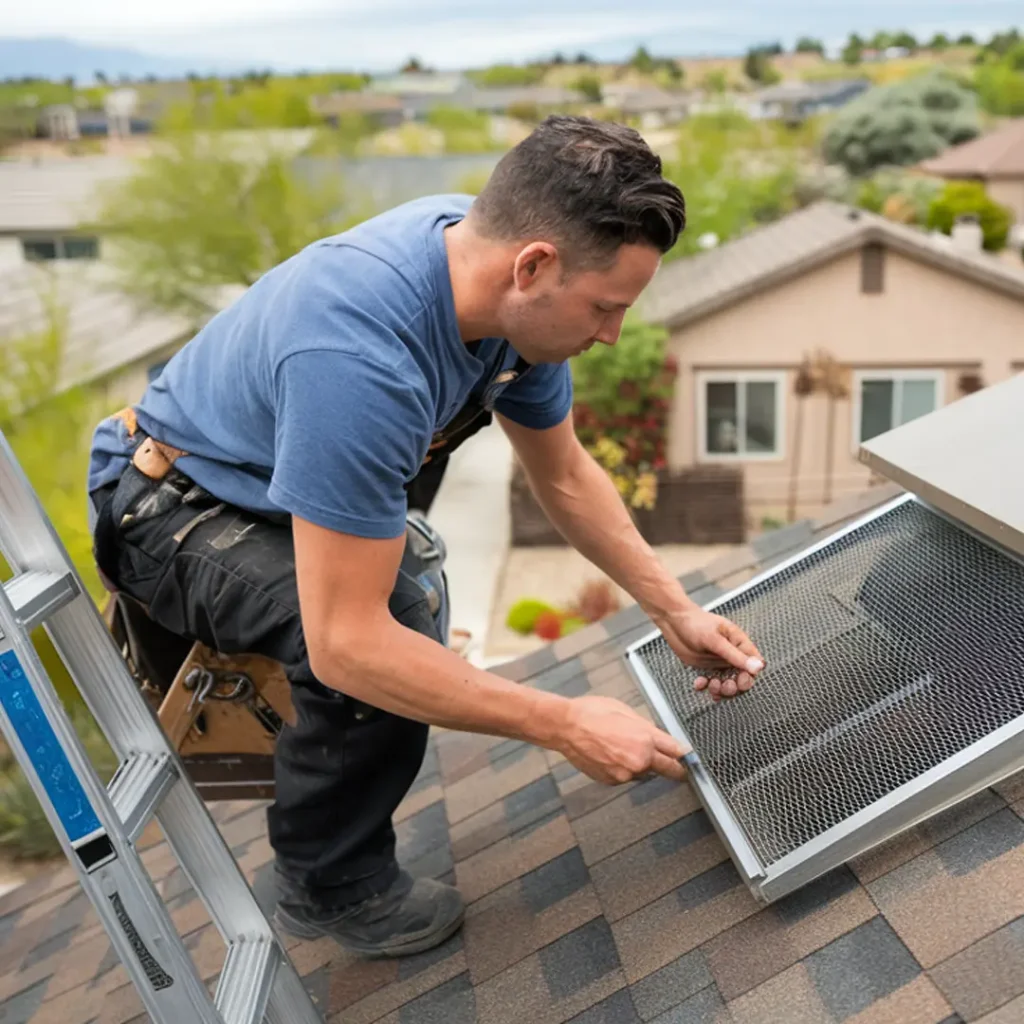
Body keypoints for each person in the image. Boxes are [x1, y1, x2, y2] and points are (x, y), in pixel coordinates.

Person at [86, 115, 764, 960]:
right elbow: (347, 645)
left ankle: (331, 801)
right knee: (391, 623)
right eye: (604, 309)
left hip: (263, 477)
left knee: (411, 582)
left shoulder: (499, 276)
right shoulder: (361, 356)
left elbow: (562, 475)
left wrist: (675, 612)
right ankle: (326, 883)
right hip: (169, 505)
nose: (611, 335)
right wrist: (564, 723)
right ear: (535, 266)